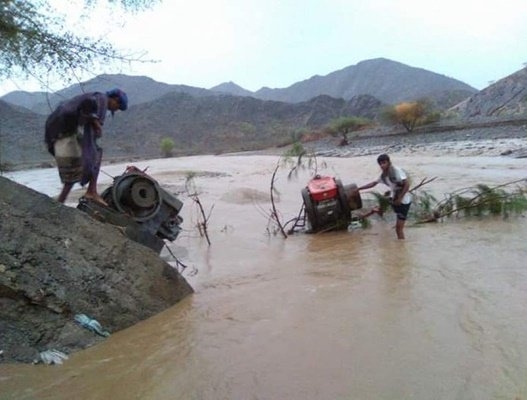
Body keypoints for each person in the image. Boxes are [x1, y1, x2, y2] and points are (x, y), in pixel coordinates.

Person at [44, 89, 128, 204]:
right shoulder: (101, 99)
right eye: (117, 107)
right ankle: (61, 205)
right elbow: (87, 107)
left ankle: (91, 191)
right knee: (72, 174)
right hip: (60, 132)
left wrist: (95, 123)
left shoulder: (96, 99)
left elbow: (84, 111)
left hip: (64, 130)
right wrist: (96, 124)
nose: (115, 110)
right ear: (115, 99)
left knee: (96, 153)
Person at [357, 153, 412, 239]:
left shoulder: (397, 171)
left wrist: (400, 198)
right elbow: (373, 183)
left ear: (389, 162)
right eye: (380, 164)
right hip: (394, 198)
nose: (382, 165)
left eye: (384, 163)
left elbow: (407, 184)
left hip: (404, 202)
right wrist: (359, 188)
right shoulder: (384, 176)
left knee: (398, 229)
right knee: (385, 206)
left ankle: (401, 246)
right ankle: (374, 211)